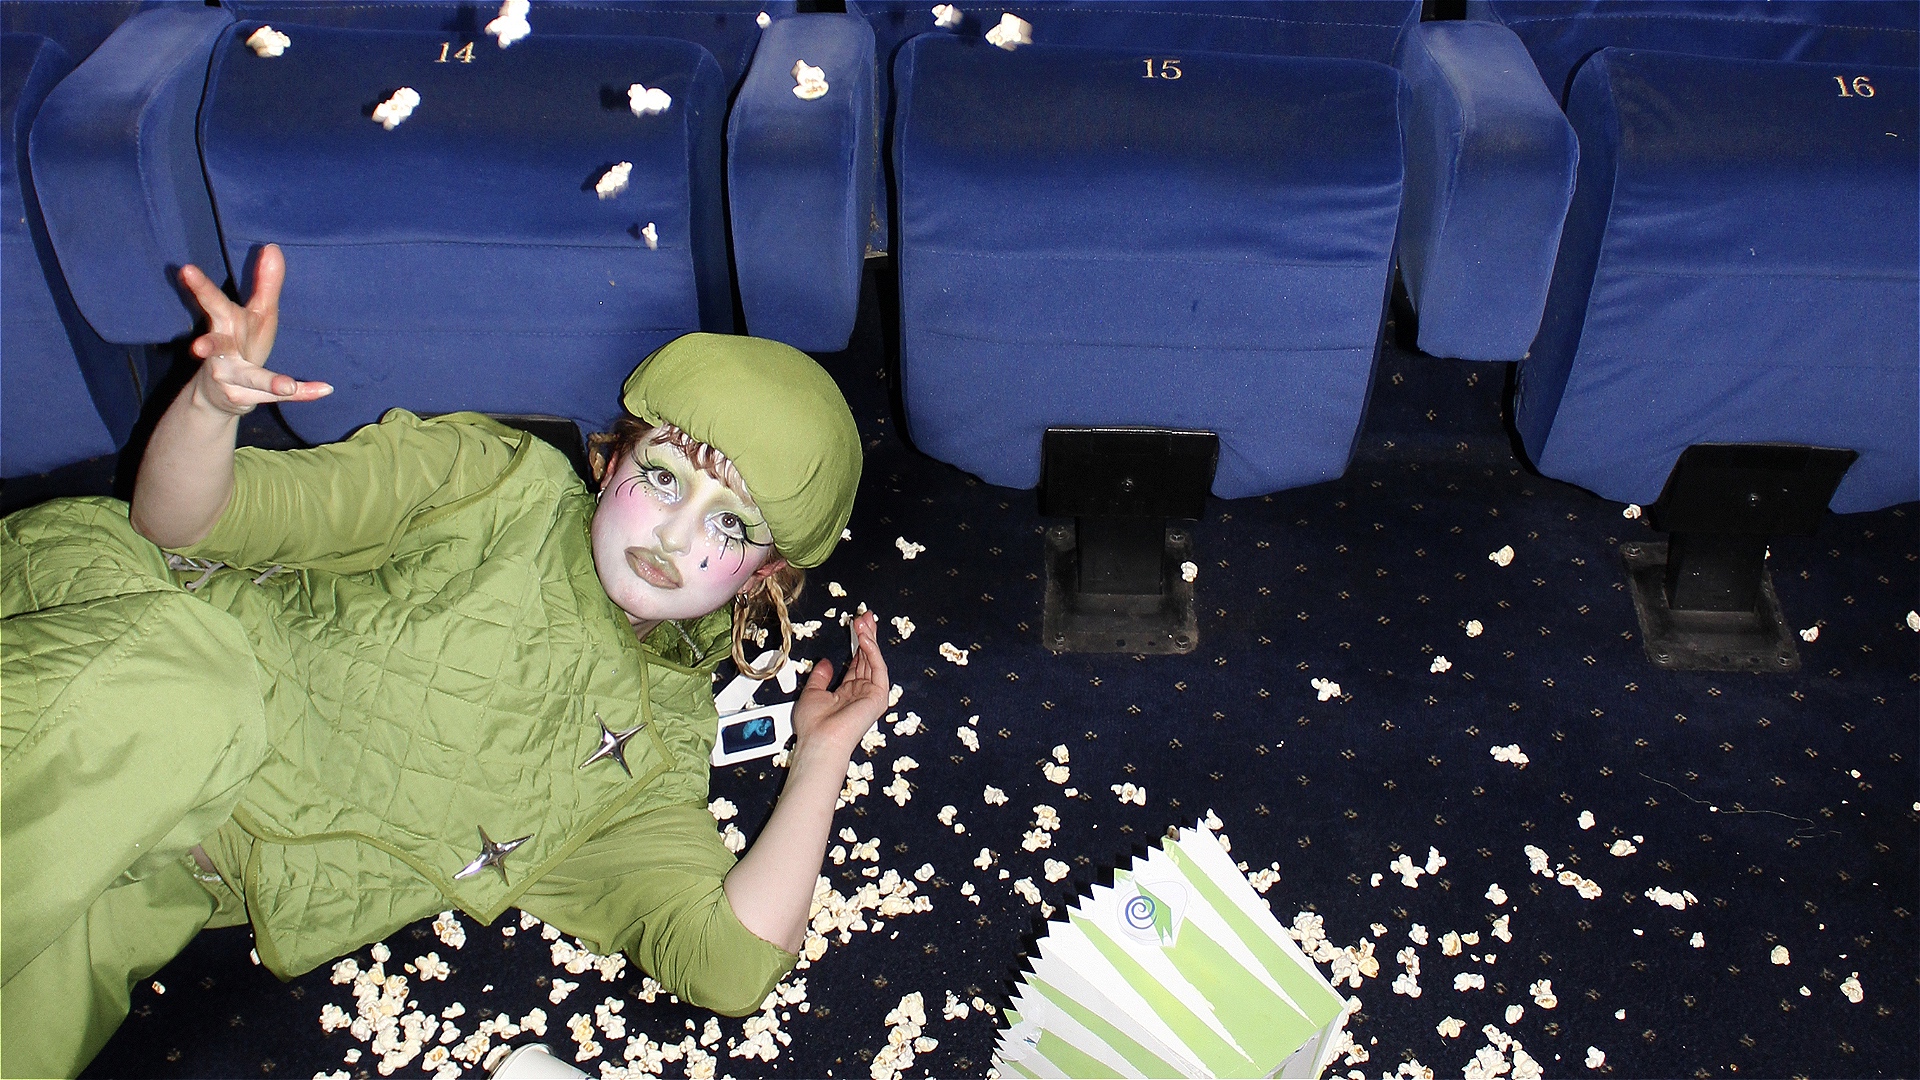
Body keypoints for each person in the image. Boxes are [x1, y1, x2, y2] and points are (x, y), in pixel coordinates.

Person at [0, 245, 886, 1078]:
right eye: (664, 477)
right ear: (614, 456)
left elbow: (732, 966)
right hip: (118, 630)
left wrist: (822, 756)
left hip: (178, 871)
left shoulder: (653, 756)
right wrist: (208, 409)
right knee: (199, 692)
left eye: (729, 525)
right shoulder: (491, 485)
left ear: (762, 578)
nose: (677, 535)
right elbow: (182, 520)